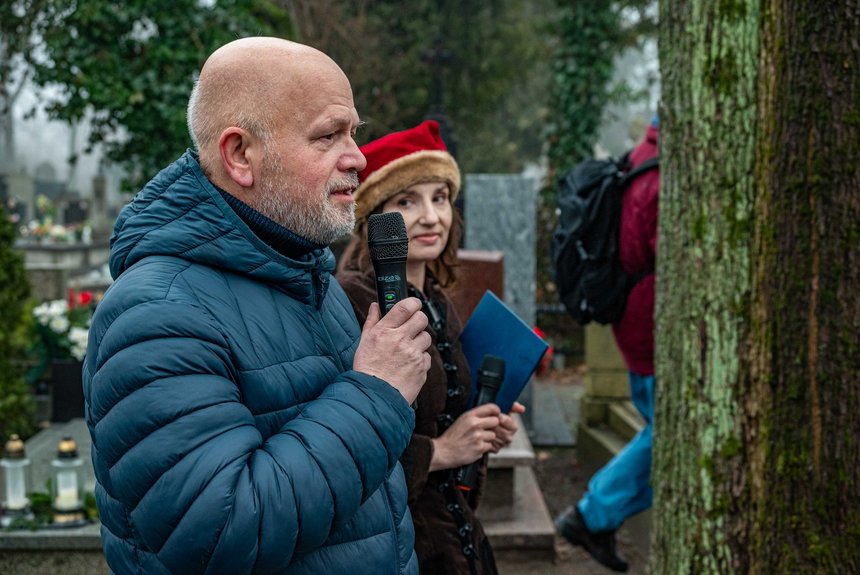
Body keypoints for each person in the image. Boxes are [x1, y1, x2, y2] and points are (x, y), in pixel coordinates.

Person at [83, 37, 432, 575]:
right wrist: (378, 393)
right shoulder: (156, 314)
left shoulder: (305, 274)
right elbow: (219, 533)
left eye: (353, 133)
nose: (358, 157)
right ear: (240, 154)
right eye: (328, 135)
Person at [336, 120, 524, 575]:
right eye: (407, 201)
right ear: (374, 218)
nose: (430, 216)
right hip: (404, 548)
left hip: (459, 539)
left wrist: (479, 432)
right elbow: (346, 444)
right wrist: (440, 451)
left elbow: (446, 425)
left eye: (439, 198)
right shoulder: (353, 302)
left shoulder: (439, 302)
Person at [554, 116, 660, 573]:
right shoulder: (660, 178)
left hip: (636, 320)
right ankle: (591, 516)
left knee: (659, 425)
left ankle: (595, 515)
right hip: (650, 325)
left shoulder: (645, 157)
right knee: (667, 430)